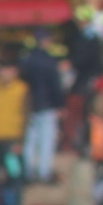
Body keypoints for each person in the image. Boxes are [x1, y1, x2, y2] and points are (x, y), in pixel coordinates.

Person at [20, 40, 64, 181]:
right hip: (47, 105)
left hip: (30, 105)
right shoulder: (49, 62)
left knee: (30, 141)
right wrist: (59, 104)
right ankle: (44, 172)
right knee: (46, 141)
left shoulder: (25, 62)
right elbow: (55, 85)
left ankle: (27, 171)